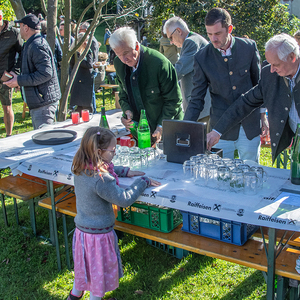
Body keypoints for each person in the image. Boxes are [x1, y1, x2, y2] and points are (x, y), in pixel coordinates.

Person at [68, 126, 160, 300]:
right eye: (112, 150)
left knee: (84, 269)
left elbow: (107, 167)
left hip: (82, 233)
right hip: (98, 237)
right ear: (99, 151)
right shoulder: (102, 180)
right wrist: (143, 182)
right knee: (98, 279)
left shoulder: (82, 167)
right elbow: (124, 199)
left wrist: (123, 171)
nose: (115, 154)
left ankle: (74, 295)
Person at [184, 7, 264, 162]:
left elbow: (259, 86)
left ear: (230, 29)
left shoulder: (249, 48)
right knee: (219, 175)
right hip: (219, 129)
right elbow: (196, 99)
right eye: (209, 34)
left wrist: (263, 115)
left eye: (218, 33)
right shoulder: (201, 57)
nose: (213, 39)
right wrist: (185, 129)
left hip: (249, 125)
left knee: (251, 172)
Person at [207, 33, 300, 164]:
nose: (272, 69)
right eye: (270, 64)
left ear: (292, 57)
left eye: (276, 64)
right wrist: (217, 131)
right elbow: (245, 103)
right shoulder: (270, 74)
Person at [109, 26, 183, 144]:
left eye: (126, 53)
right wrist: (127, 111)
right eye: (118, 55)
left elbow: (174, 100)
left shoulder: (159, 64)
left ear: (137, 46)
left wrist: (161, 126)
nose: (124, 59)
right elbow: (123, 94)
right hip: (141, 133)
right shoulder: (119, 64)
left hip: (169, 130)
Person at [4, 14, 61, 130]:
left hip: (43, 104)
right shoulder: (31, 43)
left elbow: (46, 73)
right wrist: (17, 77)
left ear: (26, 28)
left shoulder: (36, 45)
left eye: (20, 27)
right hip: (40, 102)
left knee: (45, 142)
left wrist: (19, 81)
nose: (19, 30)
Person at [163, 16, 211, 122]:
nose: (171, 42)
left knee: (201, 138)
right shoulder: (195, 39)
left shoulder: (191, 42)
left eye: (170, 37)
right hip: (203, 107)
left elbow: (179, 70)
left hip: (202, 107)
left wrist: (160, 80)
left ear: (179, 31)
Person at [0, 9, 23, 137]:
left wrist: (15, 71)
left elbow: (22, 53)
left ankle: (9, 136)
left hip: (5, 78)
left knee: (7, 107)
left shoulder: (13, 33)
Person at [69, 32, 94, 113]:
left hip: (83, 82)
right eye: (85, 41)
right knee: (82, 106)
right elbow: (89, 64)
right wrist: (88, 51)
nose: (86, 43)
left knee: (83, 106)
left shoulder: (81, 53)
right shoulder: (76, 54)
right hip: (80, 82)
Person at [79, 21, 99, 113]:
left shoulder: (92, 41)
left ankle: (93, 111)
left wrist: (91, 65)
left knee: (91, 92)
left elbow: (94, 57)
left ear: (86, 30)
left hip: (90, 70)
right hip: (87, 69)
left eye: (81, 30)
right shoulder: (90, 39)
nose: (79, 31)